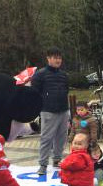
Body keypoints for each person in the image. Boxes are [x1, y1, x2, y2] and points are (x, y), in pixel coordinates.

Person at [31, 47, 70, 175]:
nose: (58, 60)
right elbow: (34, 93)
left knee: (61, 137)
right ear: (48, 58)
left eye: (59, 57)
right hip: (48, 111)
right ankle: (42, 164)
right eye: (55, 57)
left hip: (63, 110)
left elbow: (66, 91)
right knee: (46, 138)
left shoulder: (64, 75)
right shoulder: (40, 74)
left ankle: (57, 159)